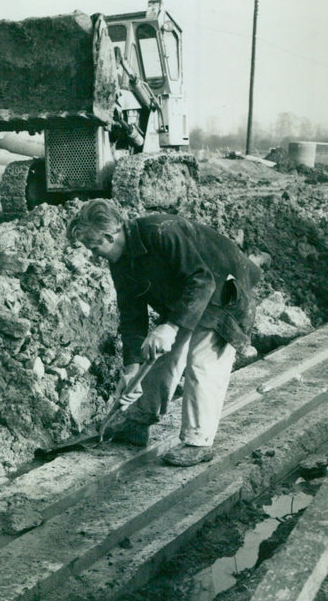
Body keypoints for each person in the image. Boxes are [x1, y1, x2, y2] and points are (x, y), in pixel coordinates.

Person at [66, 199, 262, 466]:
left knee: (202, 364)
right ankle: (138, 421)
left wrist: (170, 326)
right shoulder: (120, 262)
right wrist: (131, 369)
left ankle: (198, 441)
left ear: (111, 236)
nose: (93, 255)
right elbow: (131, 314)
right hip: (187, 298)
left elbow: (202, 280)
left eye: (94, 247)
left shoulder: (162, 232)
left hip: (222, 292)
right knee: (156, 354)